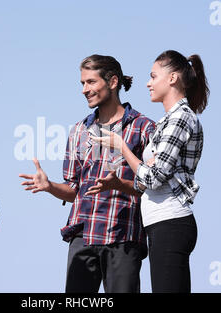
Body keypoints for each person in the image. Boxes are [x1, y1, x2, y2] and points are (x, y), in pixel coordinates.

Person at [19, 55, 155, 293]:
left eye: (91, 82)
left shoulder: (144, 128)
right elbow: (73, 190)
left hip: (122, 235)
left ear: (113, 82)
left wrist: (118, 184)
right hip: (83, 236)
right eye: (82, 83)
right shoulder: (79, 130)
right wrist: (49, 185)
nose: (84, 90)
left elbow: (151, 184)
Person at [89, 50, 209, 293]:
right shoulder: (166, 121)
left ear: (172, 78)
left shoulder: (180, 119)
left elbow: (153, 178)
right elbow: (144, 181)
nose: (148, 83)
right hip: (159, 224)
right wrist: (124, 180)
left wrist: (122, 146)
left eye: (153, 76)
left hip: (171, 222)